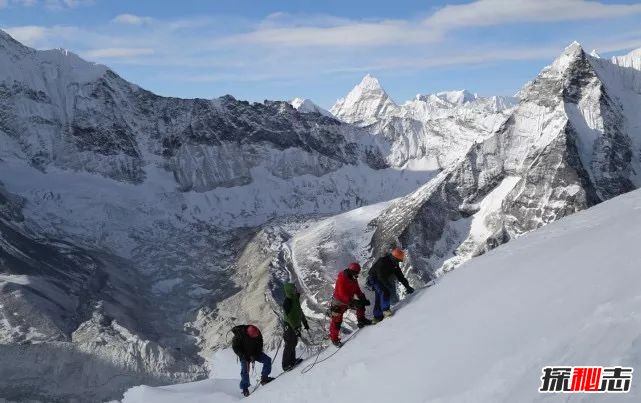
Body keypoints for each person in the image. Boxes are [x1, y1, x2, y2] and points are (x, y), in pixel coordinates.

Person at [329, 262, 372, 347]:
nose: (357, 275)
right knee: (337, 322)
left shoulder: (353, 278)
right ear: (351, 271)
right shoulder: (341, 279)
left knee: (361, 305)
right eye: (356, 273)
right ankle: (334, 339)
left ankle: (361, 320)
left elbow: (357, 289)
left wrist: (362, 297)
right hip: (338, 303)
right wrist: (353, 301)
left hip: (348, 300)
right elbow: (341, 294)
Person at [367, 247, 415, 323]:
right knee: (384, 291)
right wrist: (386, 284)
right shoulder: (383, 262)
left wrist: (407, 286)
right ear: (395, 258)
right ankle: (385, 310)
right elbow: (380, 275)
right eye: (398, 260)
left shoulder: (394, 264)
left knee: (379, 295)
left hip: (379, 278)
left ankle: (377, 317)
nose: (399, 262)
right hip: (374, 278)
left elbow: (400, 276)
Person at [231, 324, 274, 397]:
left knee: (267, 360)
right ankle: (245, 388)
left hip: (255, 353)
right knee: (245, 371)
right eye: (254, 337)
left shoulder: (257, 332)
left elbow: (260, 344)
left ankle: (264, 378)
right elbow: (235, 348)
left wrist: (255, 355)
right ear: (248, 334)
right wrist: (243, 356)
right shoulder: (240, 335)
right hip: (244, 355)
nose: (256, 337)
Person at [281, 282, 309, 371]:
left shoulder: (295, 298)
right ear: (290, 290)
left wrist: (304, 322)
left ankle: (292, 361)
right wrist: (294, 328)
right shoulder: (287, 302)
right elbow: (288, 317)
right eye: (294, 288)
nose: (295, 289)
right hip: (289, 325)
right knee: (289, 343)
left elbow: (299, 311)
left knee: (293, 342)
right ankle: (285, 365)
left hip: (295, 325)